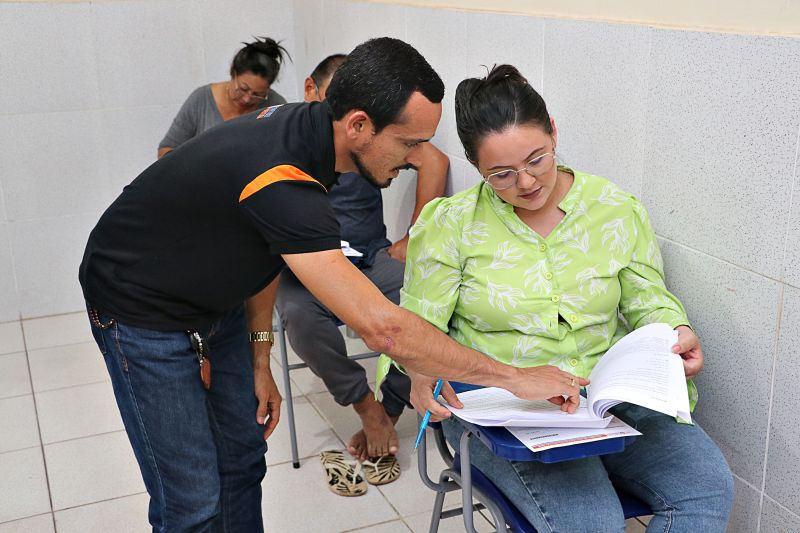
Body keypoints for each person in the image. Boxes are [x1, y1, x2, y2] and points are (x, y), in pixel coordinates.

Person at [79, 40, 586, 532]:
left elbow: (259, 250)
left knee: (242, 460)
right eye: (409, 143)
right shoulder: (284, 175)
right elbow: (383, 331)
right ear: (359, 125)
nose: (415, 158)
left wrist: (260, 357)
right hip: (139, 306)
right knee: (191, 501)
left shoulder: (311, 136)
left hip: (218, 297)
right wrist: (514, 378)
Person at [377, 64, 734, 532]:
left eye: (536, 160)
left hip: (606, 398)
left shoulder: (612, 208)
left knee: (706, 489)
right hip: (503, 408)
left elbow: (650, 299)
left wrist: (676, 330)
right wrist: (421, 370)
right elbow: (416, 330)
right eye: (501, 175)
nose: (525, 183)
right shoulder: (451, 225)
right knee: (594, 523)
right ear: (475, 167)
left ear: (553, 134)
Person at [276, 54, 449, 464]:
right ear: (311, 92)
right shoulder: (293, 143)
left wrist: (413, 235)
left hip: (370, 256)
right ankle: (366, 406)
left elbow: (434, 160)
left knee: (429, 297)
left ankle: (391, 405)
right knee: (299, 315)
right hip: (306, 267)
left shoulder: (372, 139)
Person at [157, 36, 289, 158]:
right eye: (243, 89)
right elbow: (166, 149)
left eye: (258, 95)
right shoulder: (201, 100)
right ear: (233, 71)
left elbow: (285, 153)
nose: (247, 99)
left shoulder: (276, 106)